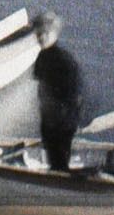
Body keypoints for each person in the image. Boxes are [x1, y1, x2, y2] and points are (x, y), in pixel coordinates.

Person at [33, 13, 85, 172]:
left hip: (62, 118)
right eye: (38, 34)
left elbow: (74, 92)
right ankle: (57, 175)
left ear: (54, 34)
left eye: (45, 33)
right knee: (53, 157)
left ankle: (60, 179)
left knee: (59, 160)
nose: (41, 38)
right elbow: (41, 86)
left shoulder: (64, 60)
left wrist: (68, 117)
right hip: (50, 117)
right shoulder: (42, 57)